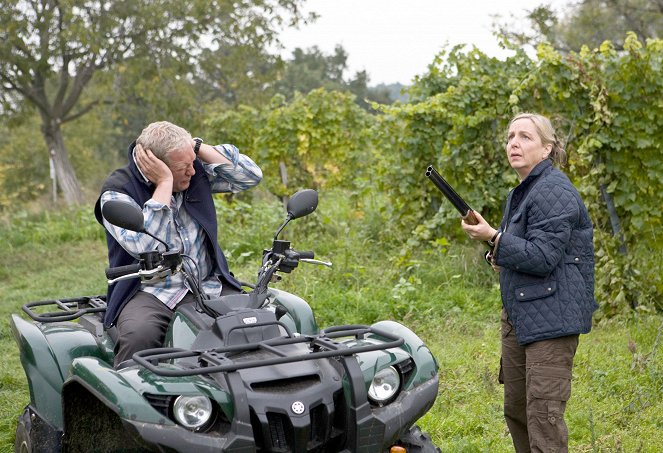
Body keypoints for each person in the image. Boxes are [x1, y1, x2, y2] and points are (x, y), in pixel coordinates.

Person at [461, 113, 597, 452]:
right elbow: (523, 247)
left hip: (551, 320)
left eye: (525, 137)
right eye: (510, 137)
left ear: (547, 149)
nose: (514, 144)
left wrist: (494, 236)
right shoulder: (523, 191)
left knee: (543, 417)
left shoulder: (554, 190)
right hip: (522, 315)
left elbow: (543, 256)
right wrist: (496, 247)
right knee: (518, 411)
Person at [94, 121, 262, 367]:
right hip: (150, 291)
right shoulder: (118, 192)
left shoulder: (193, 171)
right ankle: (136, 400)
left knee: (253, 324)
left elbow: (250, 177)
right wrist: (163, 185)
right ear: (156, 166)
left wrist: (197, 148)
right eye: (183, 167)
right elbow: (143, 245)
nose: (192, 172)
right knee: (139, 337)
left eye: (192, 164)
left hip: (208, 284)